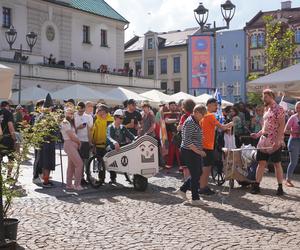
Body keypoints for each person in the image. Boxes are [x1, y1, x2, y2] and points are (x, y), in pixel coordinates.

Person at [250, 89, 285, 195]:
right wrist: (257, 134)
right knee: (261, 163)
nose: (263, 99)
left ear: (271, 96)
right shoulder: (267, 109)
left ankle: (280, 188)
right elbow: (265, 127)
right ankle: (256, 186)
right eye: (263, 96)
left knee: (277, 164)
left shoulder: (279, 109)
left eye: (265, 97)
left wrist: (278, 140)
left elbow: (281, 126)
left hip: (274, 141)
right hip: (263, 141)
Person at [175, 105, 208, 206]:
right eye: (202, 115)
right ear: (197, 112)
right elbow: (187, 140)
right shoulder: (190, 122)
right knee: (195, 174)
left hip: (193, 151)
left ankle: (183, 189)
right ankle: (195, 198)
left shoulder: (195, 121)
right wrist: (199, 152)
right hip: (189, 151)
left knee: (198, 172)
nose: (203, 118)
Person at [199, 98, 233, 195]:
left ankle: (204, 186)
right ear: (209, 105)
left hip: (204, 144)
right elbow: (222, 127)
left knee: (206, 167)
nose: (216, 107)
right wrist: (230, 124)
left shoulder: (203, 116)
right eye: (214, 105)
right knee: (207, 167)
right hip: (208, 145)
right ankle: (203, 187)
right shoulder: (210, 116)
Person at [107, 109, 135, 183]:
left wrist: (136, 138)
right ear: (115, 118)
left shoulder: (123, 127)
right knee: (111, 157)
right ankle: (113, 178)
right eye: (121, 118)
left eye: (123, 118)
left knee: (130, 153)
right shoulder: (110, 127)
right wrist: (114, 142)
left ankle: (130, 175)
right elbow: (109, 137)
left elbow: (130, 135)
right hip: (113, 147)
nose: (122, 120)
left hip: (122, 145)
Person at [61, 108, 84, 191]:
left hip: (72, 145)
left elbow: (73, 134)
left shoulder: (70, 122)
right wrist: (79, 142)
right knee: (79, 164)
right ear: (65, 113)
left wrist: (77, 142)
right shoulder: (65, 122)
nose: (71, 115)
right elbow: (71, 135)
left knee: (71, 166)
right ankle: (77, 185)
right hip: (69, 144)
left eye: (72, 113)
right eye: (69, 113)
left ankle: (69, 184)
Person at [92, 104, 114, 182]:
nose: (100, 113)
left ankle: (113, 178)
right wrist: (93, 143)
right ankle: (101, 178)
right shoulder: (97, 120)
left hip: (108, 145)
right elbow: (94, 132)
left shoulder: (111, 120)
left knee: (111, 161)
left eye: (101, 111)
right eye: (99, 111)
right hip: (98, 145)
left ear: (106, 112)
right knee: (100, 162)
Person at [74, 101, 93, 185]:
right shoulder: (73, 116)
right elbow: (70, 129)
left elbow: (89, 130)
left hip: (85, 141)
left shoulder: (87, 117)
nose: (80, 112)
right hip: (77, 141)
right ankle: (80, 178)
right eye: (79, 110)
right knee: (79, 161)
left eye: (82, 110)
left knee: (87, 160)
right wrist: (78, 127)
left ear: (84, 109)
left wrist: (90, 142)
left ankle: (88, 176)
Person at [178, 99, 196, 179]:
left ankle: (187, 181)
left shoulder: (184, 116)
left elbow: (180, 128)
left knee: (185, 165)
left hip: (186, 143)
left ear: (184, 107)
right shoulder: (197, 115)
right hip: (196, 142)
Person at [284, 101, 300, 187]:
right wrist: (295, 131)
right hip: (294, 140)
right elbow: (285, 130)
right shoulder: (293, 118)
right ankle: (288, 180)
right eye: (297, 107)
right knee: (293, 162)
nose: (298, 109)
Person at [0, 101, 17, 178]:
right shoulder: (8, 113)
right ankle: (9, 177)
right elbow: (10, 125)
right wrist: (14, 138)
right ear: (7, 106)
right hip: (7, 138)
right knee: (11, 158)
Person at [164, 101, 181, 169]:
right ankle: (169, 164)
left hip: (178, 133)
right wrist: (177, 120)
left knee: (178, 149)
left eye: (174, 105)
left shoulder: (179, 113)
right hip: (171, 133)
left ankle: (181, 166)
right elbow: (167, 120)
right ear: (169, 107)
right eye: (172, 105)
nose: (173, 106)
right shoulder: (167, 113)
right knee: (171, 149)